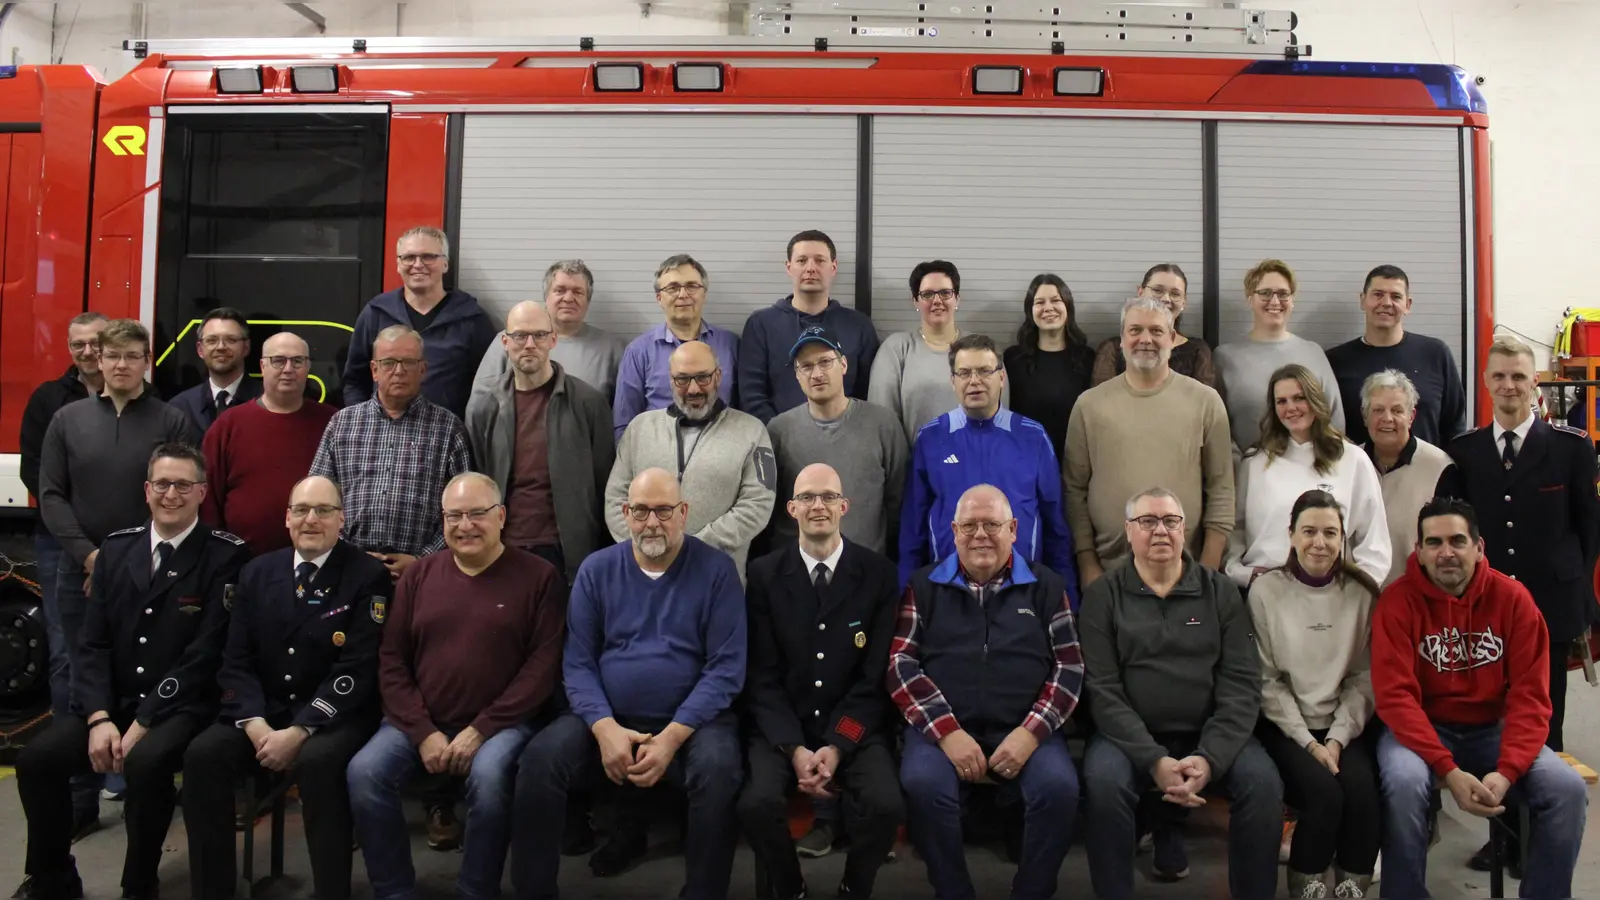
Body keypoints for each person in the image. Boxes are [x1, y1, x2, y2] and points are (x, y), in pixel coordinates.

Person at [12, 443, 251, 900]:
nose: (171, 494)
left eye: (183, 485)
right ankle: (53, 877)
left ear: (202, 492)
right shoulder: (117, 550)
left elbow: (205, 655)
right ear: (146, 490)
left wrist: (144, 720)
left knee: (146, 762)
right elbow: (93, 643)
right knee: (37, 760)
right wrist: (100, 718)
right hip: (115, 703)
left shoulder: (226, 556)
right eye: (162, 484)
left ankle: (139, 882)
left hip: (183, 706)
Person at [512, 468, 746, 898]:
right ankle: (533, 890)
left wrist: (673, 737)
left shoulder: (717, 570)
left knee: (719, 770)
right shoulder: (596, 570)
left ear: (684, 512)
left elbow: (726, 669)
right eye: (640, 511)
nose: (651, 522)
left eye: (663, 510)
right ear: (625, 513)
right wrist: (604, 728)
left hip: (696, 721)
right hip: (607, 716)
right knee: (540, 760)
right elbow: (578, 663)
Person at [348, 473, 567, 900]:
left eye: (477, 514)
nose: (465, 525)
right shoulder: (418, 576)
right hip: (419, 721)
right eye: (454, 516)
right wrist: (423, 731)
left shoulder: (540, 577)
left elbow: (542, 668)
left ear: (501, 516)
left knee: (488, 779)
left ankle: (476, 890)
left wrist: (480, 729)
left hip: (503, 725)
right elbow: (391, 659)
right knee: (365, 773)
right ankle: (394, 891)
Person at [182, 475, 391, 900]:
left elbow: (358, 667)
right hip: (264, 711)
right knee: (203, 757)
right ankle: (212, 890)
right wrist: (257, 726)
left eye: (323, 510)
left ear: (341, 520)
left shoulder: (366, 574)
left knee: (318, 763)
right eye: (301, 510)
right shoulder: (258, 572)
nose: (311, 519)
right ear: (287, 518)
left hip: (334, 716)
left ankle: (331, 891)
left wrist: (301, 730)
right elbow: (235, 659)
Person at [1373, 496, 1588, 900]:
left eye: (1457, 540)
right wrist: (1449, 771)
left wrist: (1507, 772)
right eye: (1433, 543)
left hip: (1494, 728)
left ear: (1479, 546)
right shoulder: (1397, 604)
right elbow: (1396, 699)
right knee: (1404, 783)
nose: (1446, 552)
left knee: (1567, 790)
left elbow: (1531, 698)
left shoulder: (1514, 600)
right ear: (1418, 552)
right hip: (1421, 731)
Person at [1078, 488, 1283, 899]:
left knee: (1263, 786)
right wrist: (1153, 760)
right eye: (1147, 522)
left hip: (1209, 735)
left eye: (1170, 521)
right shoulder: (1103, 595)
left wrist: (1210, 758)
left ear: (1184, 529)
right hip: (1129, 740)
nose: (1160, 531)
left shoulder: (1220, 592)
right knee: (1103, 783)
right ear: (1128, 531)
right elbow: (1103, 691)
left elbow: (1241, 684)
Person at [890, 484, 1083, 900]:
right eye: (969, 526)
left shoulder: (1047, 586)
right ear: (953, 530)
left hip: (1025, 725)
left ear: (1014, 529)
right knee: (923, 784)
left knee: (1059, 789)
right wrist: (947, 732)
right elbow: (901, 664)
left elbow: (1070, 666)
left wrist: (1030, 733)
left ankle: (1032, 891)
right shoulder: (923, 586)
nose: (980, 534)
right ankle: (953, 890)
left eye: (992, 524)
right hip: (944, 730)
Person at [37, 318, 194, 826]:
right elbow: (53, 495)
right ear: (96, 361)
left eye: (132, 356)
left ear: (147, 361)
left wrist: (124, 560)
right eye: (113, 356)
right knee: (75, 676)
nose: (122, 365)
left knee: (144, 668)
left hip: (150, 570)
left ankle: (139, 789)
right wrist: (90, 557)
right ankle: (79, 802)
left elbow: (175, 497)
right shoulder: (68, 419)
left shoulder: (170, 420)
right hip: (77, 568)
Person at [738, 463, 904, 899]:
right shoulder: (763, 575)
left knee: (887, 804)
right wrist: (793, 749)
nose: (818, 506)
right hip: (783, 727)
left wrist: (837, 745)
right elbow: (761, 676)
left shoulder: (879, 575)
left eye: (828, 497)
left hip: (851, 726)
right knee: (755, 803)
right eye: (808, 498)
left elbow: (873, 680)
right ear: (791, 508)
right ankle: (790, 887)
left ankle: (854, 886)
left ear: (844, 506)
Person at [1438, 333, 1600, 756]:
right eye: (1500, 376)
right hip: (1487, 605)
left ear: (1535, 384)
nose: (1509, 385)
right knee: (1493, 724)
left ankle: (1549, 814)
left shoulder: (1572, 447)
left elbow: (1589, 526)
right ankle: (1504, 815)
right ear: (1487, 382)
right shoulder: (1464, 451)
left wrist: (1579, 591)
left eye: (1519, 376)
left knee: (1546, 725)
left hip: (1552, 602)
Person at [1248, 490, 1382, 899]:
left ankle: (1350, 887)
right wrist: (1309, 743)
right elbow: (1267, 682)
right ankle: (1307, 885)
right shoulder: (1265, 591)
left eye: (1330, 533)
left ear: (1344, 539)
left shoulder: (1362, 594)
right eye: (1308, 531)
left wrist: (1337, 739)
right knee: (1324, 796)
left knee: (1363, 795)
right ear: (1290, 535)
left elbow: (1363, 678)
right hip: (1286, 727)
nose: (1319, 543)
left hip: (1344, 725)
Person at [1066, 296, 1234, 587]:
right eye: (1135, 330)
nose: (1145, 339)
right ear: (1122, 339)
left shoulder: (1205, 402)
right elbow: (1073, 489)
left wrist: (1208, 569)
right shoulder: (1089, 406)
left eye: (1156, 331)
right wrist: (1087, 564)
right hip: (1109, 574)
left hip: (1188, 573)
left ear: (1172, 338)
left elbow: (1221, 487)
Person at [898, 334, 1077, 600]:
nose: (974, 381)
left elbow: (1057, 529)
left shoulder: (1033, 437)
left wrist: (1069, 600)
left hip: (1023, 590)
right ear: (953, 381)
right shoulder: (932, 438)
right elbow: (913, 531)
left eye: (984, 371)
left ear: (1001, 377)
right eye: (964, 373)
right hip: (947, 591)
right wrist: (905, 597)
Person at [18, 310, 108, 829]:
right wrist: (80, 543)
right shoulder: (49, 401)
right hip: (62, 544)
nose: (88, 352)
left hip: (117, 545)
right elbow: (38, 476)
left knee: (122, 648)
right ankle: (77, 781)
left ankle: (115, 763)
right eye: (78, 343)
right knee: (64, 657)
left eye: (97, 342)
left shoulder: (141, 405)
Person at [311, 324, 473, 583]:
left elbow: (466, 509)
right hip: (347, 572)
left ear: (423, 370)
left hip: (423, 577)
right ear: (374, 370)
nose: (399, 371)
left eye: (408, 362)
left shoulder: (448, 428)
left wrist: (423, 560)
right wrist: (350, 554)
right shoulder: (341, 424)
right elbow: (316, 502)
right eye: (389, 363)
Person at [465, 300, 614, 581]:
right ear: (505, 342)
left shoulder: (588, 404)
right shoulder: (485, 409)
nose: (529, 344)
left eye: (539, 335)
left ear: (553, 339)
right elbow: (480, 479)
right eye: (520, 336)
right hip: (502, 550)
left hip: (566, 553)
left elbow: (604, 484)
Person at [606, 341, 776, 581]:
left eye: (703, 377)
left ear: (718, 376)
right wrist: (649, 550)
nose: (693, 388)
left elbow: (758, 504)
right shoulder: (639, 429)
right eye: (683, 379)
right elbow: (615, 500)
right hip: (643, 579)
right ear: (671, 380)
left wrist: (693, 549)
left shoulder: (752, 431)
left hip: (717, 577)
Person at [1227, 364, 1390, 590]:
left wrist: (1358, 590)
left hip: (1334, 592)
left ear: (1315, 400)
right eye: (1281, 401)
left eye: (1299, 398)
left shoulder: (1353, 459)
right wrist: (1241, 573)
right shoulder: (1255, 462)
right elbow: (1235, 529)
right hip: (1268, 590)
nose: (1291, 407)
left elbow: (1374, 539)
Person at [767, 326, 908, 555]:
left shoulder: (883, 424)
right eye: (806, 366)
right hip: (797, 574)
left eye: (825, 362)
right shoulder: (779, 431)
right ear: (796, 375)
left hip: (866, 570)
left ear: (843, 365)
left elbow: (899, 504)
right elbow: (769, 510)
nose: (817, 374)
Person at [201, 331, 337, 556]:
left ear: (308, 367)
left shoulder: (332, 423)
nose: (288, 369)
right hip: (239, 563)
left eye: (297, 361)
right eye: (278, 361)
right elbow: (208, 500)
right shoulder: (228, 425)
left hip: (318, 562)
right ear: (262, 366)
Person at [342, 225, 497, 418]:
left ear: (445, 264)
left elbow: (489, 388)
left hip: (445, 439)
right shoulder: (375, 314)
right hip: (382, 441)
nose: (418, 264)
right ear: (398, 265)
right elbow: (355, 381)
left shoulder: (472, 320)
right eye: (409, 257)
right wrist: (364, 424)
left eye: (428, 257)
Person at [738, 230, 880, 424]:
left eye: (820, 260)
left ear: (834, 267)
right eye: (802, 260)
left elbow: (867, 394)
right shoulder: (761, 324)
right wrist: (780, 436)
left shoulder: (859, 326)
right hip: (778, 442)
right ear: (789, 267)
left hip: (845, 442)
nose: (810, 268)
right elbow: (752, 395)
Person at [1326, 265, 1468, 447]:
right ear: (1362, 300)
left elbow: (1455, 426)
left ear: (1407, 305)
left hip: (1427, 473)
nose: (1386, 303)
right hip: (1358, 473)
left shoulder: (1436, 354)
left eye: (1396, 296)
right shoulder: (1336, 362)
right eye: (1377, 294)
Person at [869, 260, 1008, 445]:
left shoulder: (981, 348)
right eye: (927, 294)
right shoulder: (897, 349)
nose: (937, 301)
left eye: (945, 293)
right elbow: (883, 423)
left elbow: (1001, 412)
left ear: (957, 298)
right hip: (917, 467)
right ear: (915, 301)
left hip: (977, 463)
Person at [1215, 259, 1345, 452]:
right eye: (1265, 293)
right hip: (1249, 473)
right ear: (1250, 299)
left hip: (1313, 471)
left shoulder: (1313, 352)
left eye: (1283, 294)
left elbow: (1335, 419)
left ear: (1292, 300)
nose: (1275, 301)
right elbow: (1217, 427)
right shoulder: (1225, 357)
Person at [613, 254, 741, 440]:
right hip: (659, 458)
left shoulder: (731, 345)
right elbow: (625, 425)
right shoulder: (638, 352)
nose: (683, 294)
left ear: (703, 293)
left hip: (722, 455)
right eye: (672, 288)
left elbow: (744, 415)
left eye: (692, 286)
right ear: (659, 298)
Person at [472, 259, 628, 402]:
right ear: (546, 297)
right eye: (560, 290)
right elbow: (480, 403)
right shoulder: (511, 340)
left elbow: (621, 413)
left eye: (577, 292)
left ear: (588, 300)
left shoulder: (612, 350)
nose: (568, 298)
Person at [1361, 369, 1455, 588]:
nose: (1387, 418)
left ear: (1411, 416)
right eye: (1377, 410)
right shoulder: (1348, 464)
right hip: (1356, 598)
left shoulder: (1440, 468)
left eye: (1397, 410)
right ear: (1365, 416)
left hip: (1416, 600)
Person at [1003, 273, 1096, 459]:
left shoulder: (1088, 359)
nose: (1048, 308)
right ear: (1030, 311)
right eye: (1039, 302)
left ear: (1067, 306)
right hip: (1025, 461)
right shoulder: (1013, 359)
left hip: (1074, 462)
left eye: (1055, 300)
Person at [1091, 263, 1216, 389]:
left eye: (1175, 293)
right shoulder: (1112, 348)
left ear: (1184, 302)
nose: (1166, 299)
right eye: (1157, 290)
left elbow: (1204, 403)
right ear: (1140, 292)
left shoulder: (1198, 350)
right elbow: (1102, 400)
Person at [167, 306, 261, 438]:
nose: (221, 347)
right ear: (200, 349)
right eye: (212, 340)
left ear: (246, 347)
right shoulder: (180, 408)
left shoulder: (266, 402)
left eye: (231, 340)